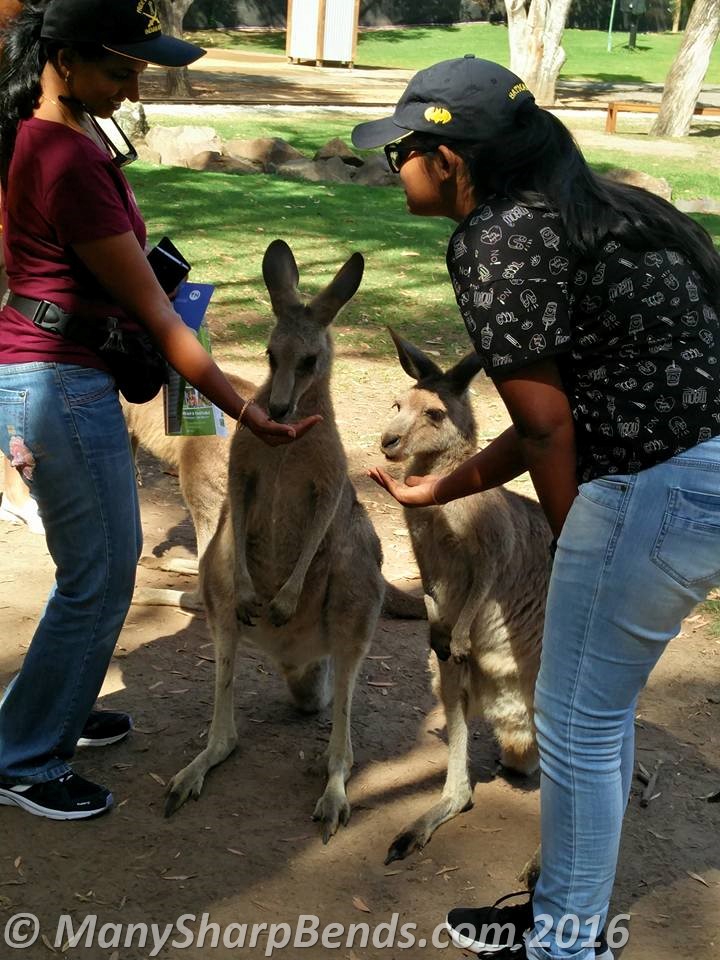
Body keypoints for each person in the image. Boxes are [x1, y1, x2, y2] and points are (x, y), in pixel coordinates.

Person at [352, 56, 720, 960]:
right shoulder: (615, 209)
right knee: (593, 710)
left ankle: (565, 941)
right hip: (697, 470)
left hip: (655, 487)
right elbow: (542, 413)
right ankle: (566, 911)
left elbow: (551, 431)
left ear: (451, 157)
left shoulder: (497, 238)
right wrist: (439, 488)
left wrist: (572, 544)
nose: (391, 163)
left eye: (403, 147)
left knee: (578, 719)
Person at [0, 0, 320, 822]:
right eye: (119, 65)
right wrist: (245, 413)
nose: (134, 80)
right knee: (103, 570)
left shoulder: (68, 141)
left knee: (98, 565)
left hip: (66, 371)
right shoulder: (64, 158)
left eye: (140, 65)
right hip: (54, 382)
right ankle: (26, 756)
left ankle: (53, 712)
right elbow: (157, 314)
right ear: (62, 60)